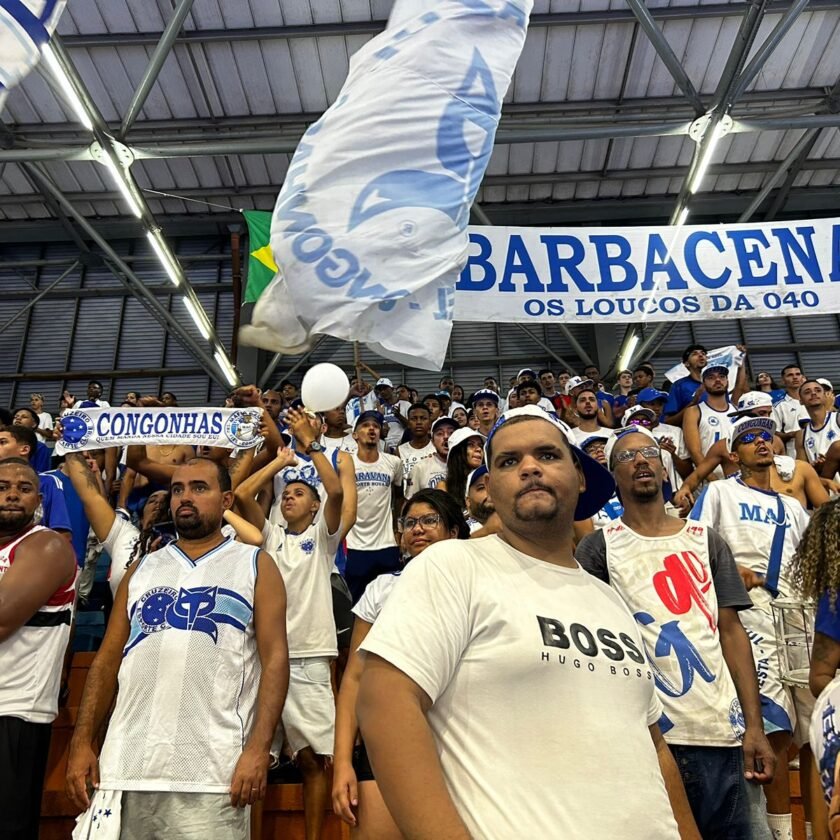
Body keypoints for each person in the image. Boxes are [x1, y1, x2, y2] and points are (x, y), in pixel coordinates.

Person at [355, 405, 698, 838]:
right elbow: (384, 701)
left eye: (548, 455)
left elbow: (653, 745)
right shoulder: (452, 565)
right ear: (489, 489)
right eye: (508, 461)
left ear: (581, 478)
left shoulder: (608, 598)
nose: (530, 467)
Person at [66, 458, 290, 837]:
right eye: (178, 489)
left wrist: (258, 749)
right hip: (125, 766)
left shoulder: (255, 564)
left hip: (212, 771)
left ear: (226, 500)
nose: (186, 497)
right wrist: (81, 741)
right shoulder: (143, 569)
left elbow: (276, 661)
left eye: (200, 488)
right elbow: (106, 662)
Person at [577, 428, 775, 838]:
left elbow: (732, 633)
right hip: (645, 740)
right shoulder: (598, 549)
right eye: (628, 456)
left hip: (722, 732)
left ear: (665, 467)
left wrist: (755, 726)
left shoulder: (706, 539)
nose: (642, 460)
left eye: (650, 452)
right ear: (614, 475)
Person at [689, 416, 814, 840]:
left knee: (813, 735)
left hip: (798, 619)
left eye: (766, 436)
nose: (760, 442)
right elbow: (694, 541)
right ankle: (781, 833)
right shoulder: (719, 492)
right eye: (748, 439)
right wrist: (727, 569)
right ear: (734, 454)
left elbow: (812, 565)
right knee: (774, 731)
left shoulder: (794, 507)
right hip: (751, 615)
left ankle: (817, 829)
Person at [332, 490, 468, 838]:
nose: (417, 529)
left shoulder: (475, 583)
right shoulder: (381, 588)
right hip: (387, 743)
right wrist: (343, 762)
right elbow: (354, 680)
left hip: (461, 742)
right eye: (410, 523)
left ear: (453, 532)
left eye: (429, 520)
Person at [234, 412, 344, 840]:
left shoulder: (324, 538)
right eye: (286, 495)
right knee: (255, 757)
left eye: (299, 493)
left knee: (314, 759)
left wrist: (311, 447)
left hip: (310, 657)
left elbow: (334, 488)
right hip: (265, 659)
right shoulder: (269, 535)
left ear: (314, 506)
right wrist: (280, 464)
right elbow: (242, 493)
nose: (289, 498)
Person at [0, 457, 77, 840]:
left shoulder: (46, 545)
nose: (12, 493)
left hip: (14, 711)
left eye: (24, 488)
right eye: (2, 487)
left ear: (39, 501)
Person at [345, 411, 403, 603]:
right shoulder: (346, 463)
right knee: (355, 604)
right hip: (354, 545)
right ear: (354, 434)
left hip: (386, 544)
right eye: (365, 425)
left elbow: (399, 498)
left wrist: (397, 530)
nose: (371, 429)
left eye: (376, 426)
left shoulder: (393, 463)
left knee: (389, 604)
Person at [0, 425, 72, 535]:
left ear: (24, 449)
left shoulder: (48, 482)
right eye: (2, 488)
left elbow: (62, 533)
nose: (12, 495)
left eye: (2, 442)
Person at [683, 364, 736, 476]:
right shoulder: (694, 411)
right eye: (711, 377)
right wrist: (712, 479)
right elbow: (695, 452)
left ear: (727, 381)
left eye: (722, 376)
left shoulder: (736, 409)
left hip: (738, 477)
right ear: (703, 384)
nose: (717, 380)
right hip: (709, 478)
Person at [408, 416, 457, 497]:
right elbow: (410, 502)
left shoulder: (467, 464)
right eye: (440, 433)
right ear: (432, 441)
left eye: (451, 432)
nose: (446, 437)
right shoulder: (420, 468)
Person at [796, 380, 840, 470]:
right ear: (800, 400)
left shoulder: (838, 418)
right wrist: (815, 468)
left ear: (825, 396)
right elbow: (802, 471)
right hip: (822, 482)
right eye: (807, 392)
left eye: (818, 390)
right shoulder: (801, 435)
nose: (813, 393)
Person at [439, 427, 484, 507]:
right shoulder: (444, 487)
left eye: (480, 445)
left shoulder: (488, 481)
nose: (479, 449)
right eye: (471, 445)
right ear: (458, 452)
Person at [398, 404, 435, 493]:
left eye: (423, 418)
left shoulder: (437, 448)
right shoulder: (399, 450)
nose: (418, 422)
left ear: (430, 423)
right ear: (408, 423)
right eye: (414, 419)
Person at [774, 365, 809, 458]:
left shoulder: (814, 400)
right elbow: (775, 433)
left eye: (798, 374)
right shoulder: (779, 406)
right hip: (794, 454)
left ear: (802, 377)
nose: (795, 377)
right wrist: (793, 434)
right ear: (783, 380)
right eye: (790, 375)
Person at [373, 379, 411, 453]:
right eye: (380, 390)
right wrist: (380, 416)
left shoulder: (406, 405)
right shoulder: (378, 409)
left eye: (385, 388)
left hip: (403, 444)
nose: (382, 392)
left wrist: (399, 416)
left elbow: (411, 427)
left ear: (393, 389)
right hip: (384, 447)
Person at [12, 407, 52, 471]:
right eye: (15, 417)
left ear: (34, 424)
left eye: (24, 417)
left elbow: (41, 475)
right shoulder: (4, 444)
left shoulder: (40, 448)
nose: (18, 418)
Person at [465, 465, 494, 532]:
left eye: (494, 485)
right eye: (481, 487)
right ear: (468, 501)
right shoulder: (462, 532)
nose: (490, 491)